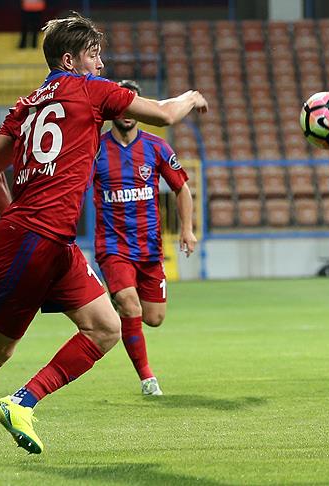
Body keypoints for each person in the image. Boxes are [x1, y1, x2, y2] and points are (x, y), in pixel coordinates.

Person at [0, 13, 208, 459]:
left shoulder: (27, 104)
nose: (101, 64)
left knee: (105, 327)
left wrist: (19, 222)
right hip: (36, 238)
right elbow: (165, 114)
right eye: (94, 55)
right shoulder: (90, 90)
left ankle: (21, 402)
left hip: (45, 239)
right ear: (69, 60)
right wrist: (190, 96)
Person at [93, 79, 197, 396]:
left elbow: (182, 189)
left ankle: (122, 302)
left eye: (133, 106)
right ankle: (147, 379)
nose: (127, 113)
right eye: (121, 107)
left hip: (149, 249)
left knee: (154, 318)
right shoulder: (95, 149)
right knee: (130, 306)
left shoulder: (156, 147)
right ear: (113, 111)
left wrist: (187, 229)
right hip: (112, 247)